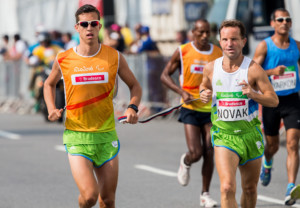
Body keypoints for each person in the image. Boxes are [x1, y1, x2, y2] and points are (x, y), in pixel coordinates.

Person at [43, 4, 142, 208]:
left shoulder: (114, 56)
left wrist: (133, 107)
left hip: (106, 136)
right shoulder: (64, 59)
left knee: (107, 200)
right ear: (77, 27)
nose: (89, 28)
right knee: (89, 196)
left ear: (100, 27)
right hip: (77, 136)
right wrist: (51, 108)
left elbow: (135, 86)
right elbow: (48, 83)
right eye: (85, 24)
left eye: (94, 23)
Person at [200, 19, 278, 208]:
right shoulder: (211, 68)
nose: (229, 44)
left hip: (250, 136)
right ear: (220, 41)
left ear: (243, 41)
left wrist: (253, 94)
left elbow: (273, 100)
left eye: (234, 39)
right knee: (227, 187)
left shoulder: (253, 69)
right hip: (224, 136)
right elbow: (203, 85)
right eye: (225, 39)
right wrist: (203, 93)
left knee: (250, 188)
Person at [161, 19, 222, 207]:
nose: (205, 36)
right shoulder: (182, 51)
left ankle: (205, 194)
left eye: (207, 32)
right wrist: (181, 92)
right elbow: (164, 76)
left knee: (210, 150)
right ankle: (186, 161)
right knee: (196, 153)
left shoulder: (217, 52)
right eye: (201, 32)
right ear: (193, 32)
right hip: (190, 108)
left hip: (211, 108)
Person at [253, 8, 300, 205]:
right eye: (280, 19)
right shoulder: (265, 46)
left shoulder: (297, 45)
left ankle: (291, 187)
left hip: (292, 100)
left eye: (287, 19)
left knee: (293, 143)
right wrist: (272, 71)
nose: (284, 22)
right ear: (272, 23)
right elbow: (252, 73)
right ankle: (268, 161)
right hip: (271, 101)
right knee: (271, 146)